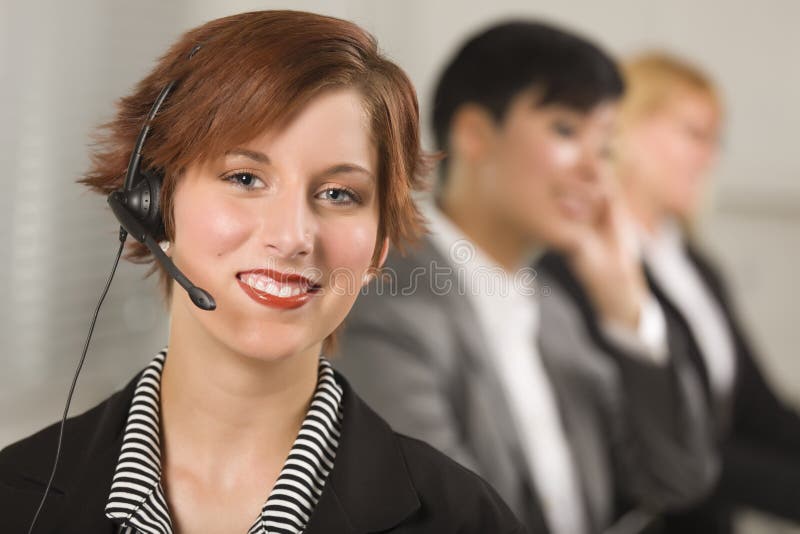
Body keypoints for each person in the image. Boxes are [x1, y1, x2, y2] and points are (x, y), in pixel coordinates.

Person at [0, 11, 526, 534]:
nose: (294, 236)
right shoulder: (15, 497)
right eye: (246, 177)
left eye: (339, 194)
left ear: (378, 248)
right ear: (154, 204)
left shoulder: (465, 518)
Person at [336, 21, 716, 534]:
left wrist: (627, 307)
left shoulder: (557, 309)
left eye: (605, 147)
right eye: (565, 130)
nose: (594, 170)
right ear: (473, 134)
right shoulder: (383, 306)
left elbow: (679, 480)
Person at [611, 51, 800, 533]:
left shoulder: (695, 265)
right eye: (694, 134)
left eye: (716, 140)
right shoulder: (585, 271)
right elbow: (656, 441)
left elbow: (759, 410)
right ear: (627, 128)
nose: (710, 157)